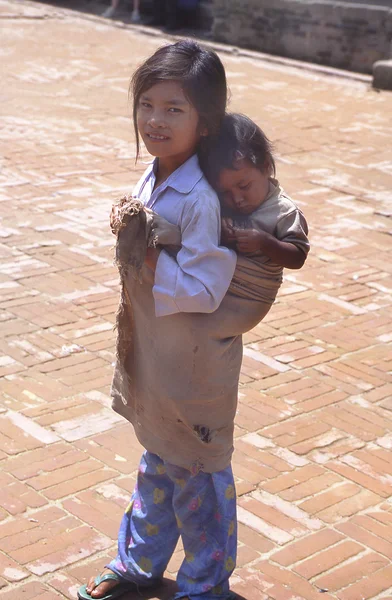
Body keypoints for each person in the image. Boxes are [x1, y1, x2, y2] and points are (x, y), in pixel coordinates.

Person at [77, 40, 239, 600]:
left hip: (196, 364)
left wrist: (145, 251)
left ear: (207, 119)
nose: (155, 120)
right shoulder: (158, 174)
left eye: (175, 108)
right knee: (157, 462)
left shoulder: (203, 197)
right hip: (157, 352)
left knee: (199, 474)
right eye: (147, 103)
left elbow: (204, 288)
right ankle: (138, 564)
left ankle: (203, 586)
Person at [199, 112, 310, 318]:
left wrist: (265, 242)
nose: (237, 199)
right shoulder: (221, 205)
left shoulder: (284, 211)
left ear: (266, 166)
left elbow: (297, 257)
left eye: (244, 186)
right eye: (225, 193)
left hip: (250, 299)